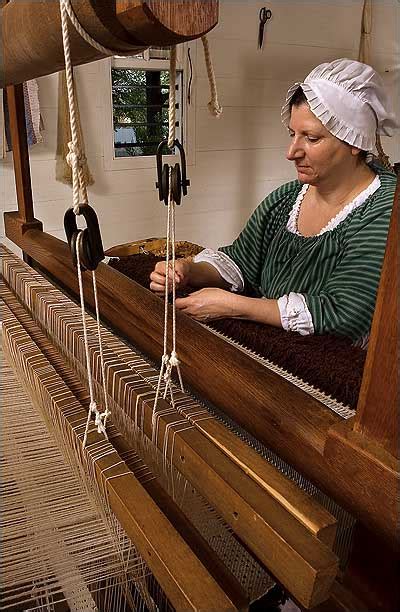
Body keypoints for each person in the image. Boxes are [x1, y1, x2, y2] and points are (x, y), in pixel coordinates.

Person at [150, 58, 398, 342]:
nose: (292, 152)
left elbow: (344, 314)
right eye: (293, 134)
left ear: (354, 141)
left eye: (311, 138)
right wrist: (189, 270)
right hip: (274, 354)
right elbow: (241, 260)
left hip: (339, 376)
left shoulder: (386, 210)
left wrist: (235, 306)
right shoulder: (287, 199)